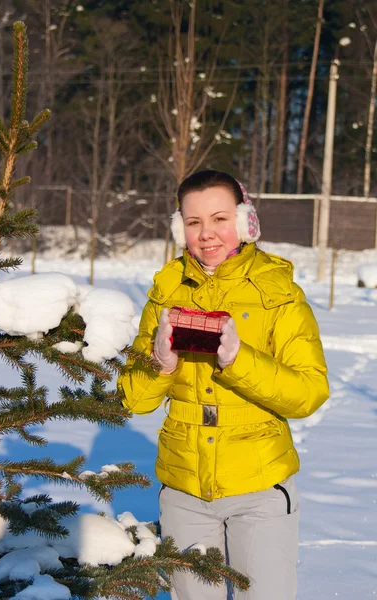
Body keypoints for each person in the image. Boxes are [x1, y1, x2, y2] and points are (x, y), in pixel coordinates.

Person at [118, 170, 329, 600]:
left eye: (219, 218)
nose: (206, 234)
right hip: (184, 489)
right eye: (193, 222)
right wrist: (161, 362)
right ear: (180, 227)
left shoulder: (279, 291)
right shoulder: (166, 290)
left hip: (260, 487)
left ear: (246, 221)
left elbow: (309, 392)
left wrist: (239, 359)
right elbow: (135, 401)